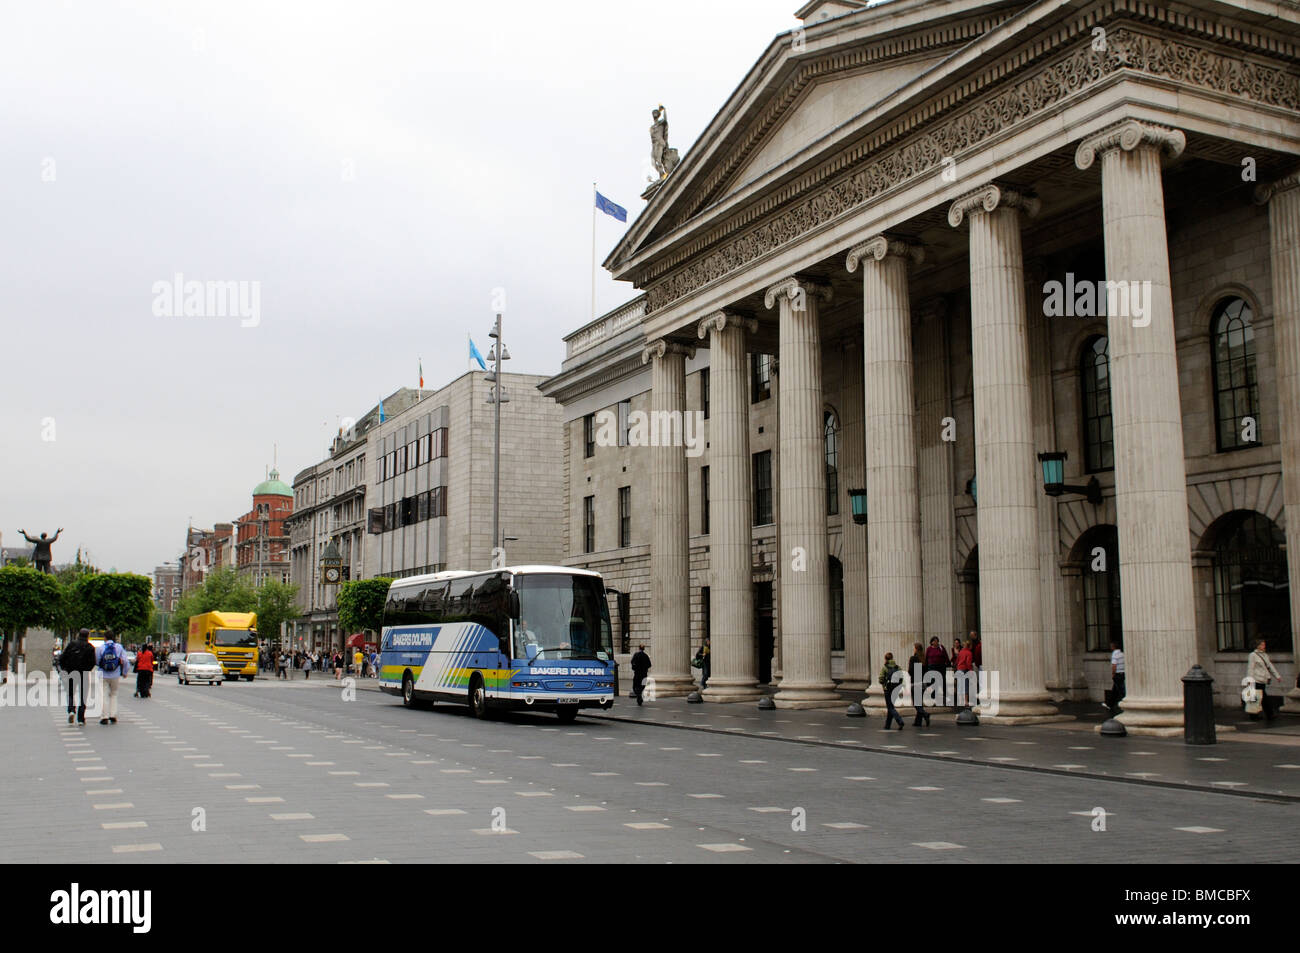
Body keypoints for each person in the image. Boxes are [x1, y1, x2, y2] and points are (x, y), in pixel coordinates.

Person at [60, 629, 96, 725]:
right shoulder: (90, 647)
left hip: (71, 672)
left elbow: (63, 657)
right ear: (88, 636)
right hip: (83, 674)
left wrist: (65, 668)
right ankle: (81, 718)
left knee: (70, 693)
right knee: (83, 696)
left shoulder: (72, 644)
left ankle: (71, 710)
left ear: (78, 635)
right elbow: (93, 662)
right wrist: (87, 669)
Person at [94, 630, 129, 725]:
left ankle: (104, 716)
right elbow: (125, 661)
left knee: (103, 695)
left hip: (103, 674)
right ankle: (113, 715)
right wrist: (125, 672)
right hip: (115, 674)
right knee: (114, 694)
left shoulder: (100, 648)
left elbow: (97, 661)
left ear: (105, 638)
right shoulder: (119, 647)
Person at [1246, 639, 1283, 722]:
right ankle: (1268, 714)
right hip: (1256, 679)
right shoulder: (1253, 655)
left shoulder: (1265, 655)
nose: (1264, 646)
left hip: (1263, 679)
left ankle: (1255, 715)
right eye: (1262, 644)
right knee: (1262, 697)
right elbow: (1250, 668)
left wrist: (1277, 676)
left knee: (1259, 697)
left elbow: (1270, 666)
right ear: (1258, 646)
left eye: (1264, 644)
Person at [879, 652, 904, 730]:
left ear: (886, 659)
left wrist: (883, 684)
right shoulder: (898, 667)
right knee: (891, 706)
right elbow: (902, 678)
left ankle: (900, 721)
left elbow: (881, 678)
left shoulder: (885, 667)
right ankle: (887, 725)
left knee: (890, 707)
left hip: (888, 689)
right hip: (896, 689)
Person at [909, 642, 930, 726]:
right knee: (919, 702)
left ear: (916, 649)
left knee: (916, 703)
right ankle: (918, 722)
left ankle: (925, 714)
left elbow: (910, 670)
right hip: (923, 682)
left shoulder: (913, 658)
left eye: (914, 648)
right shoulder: (924, 658)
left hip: (915, 682)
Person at [925, 636, 950, 707]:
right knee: (933, 682)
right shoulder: (929, 649)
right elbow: (926, 658)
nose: (936, 642)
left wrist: (948, 663)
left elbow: (946, 656)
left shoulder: (941, 647)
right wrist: (926, 668)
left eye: (937, 641)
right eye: (934, 641)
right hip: (932, 667)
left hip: (941, 667)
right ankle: (933, 698)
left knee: (942, 682)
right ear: (932, 642)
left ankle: (945, 697)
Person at [954, 638, 976, 709]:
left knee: (960, 686)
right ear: (969, 646)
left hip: (959, 669)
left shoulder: (960, 652)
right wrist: (971, 671)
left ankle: (960, 701)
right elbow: (968, 663)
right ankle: (966, 701)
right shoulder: (969, 653)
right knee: (966, 685)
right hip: (965, 670)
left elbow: (957, 661)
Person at [1104, 640, 1125, 712]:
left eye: (1111, 646)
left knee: (1120, 689)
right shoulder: (1122, 652)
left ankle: (1122, 703)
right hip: (1123, 672)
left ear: (1113, 646)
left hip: (1118, 673)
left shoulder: (1115, 653)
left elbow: (1114, 665)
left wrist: (1113, 673)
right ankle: (1110, 704)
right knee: (1116, 689)